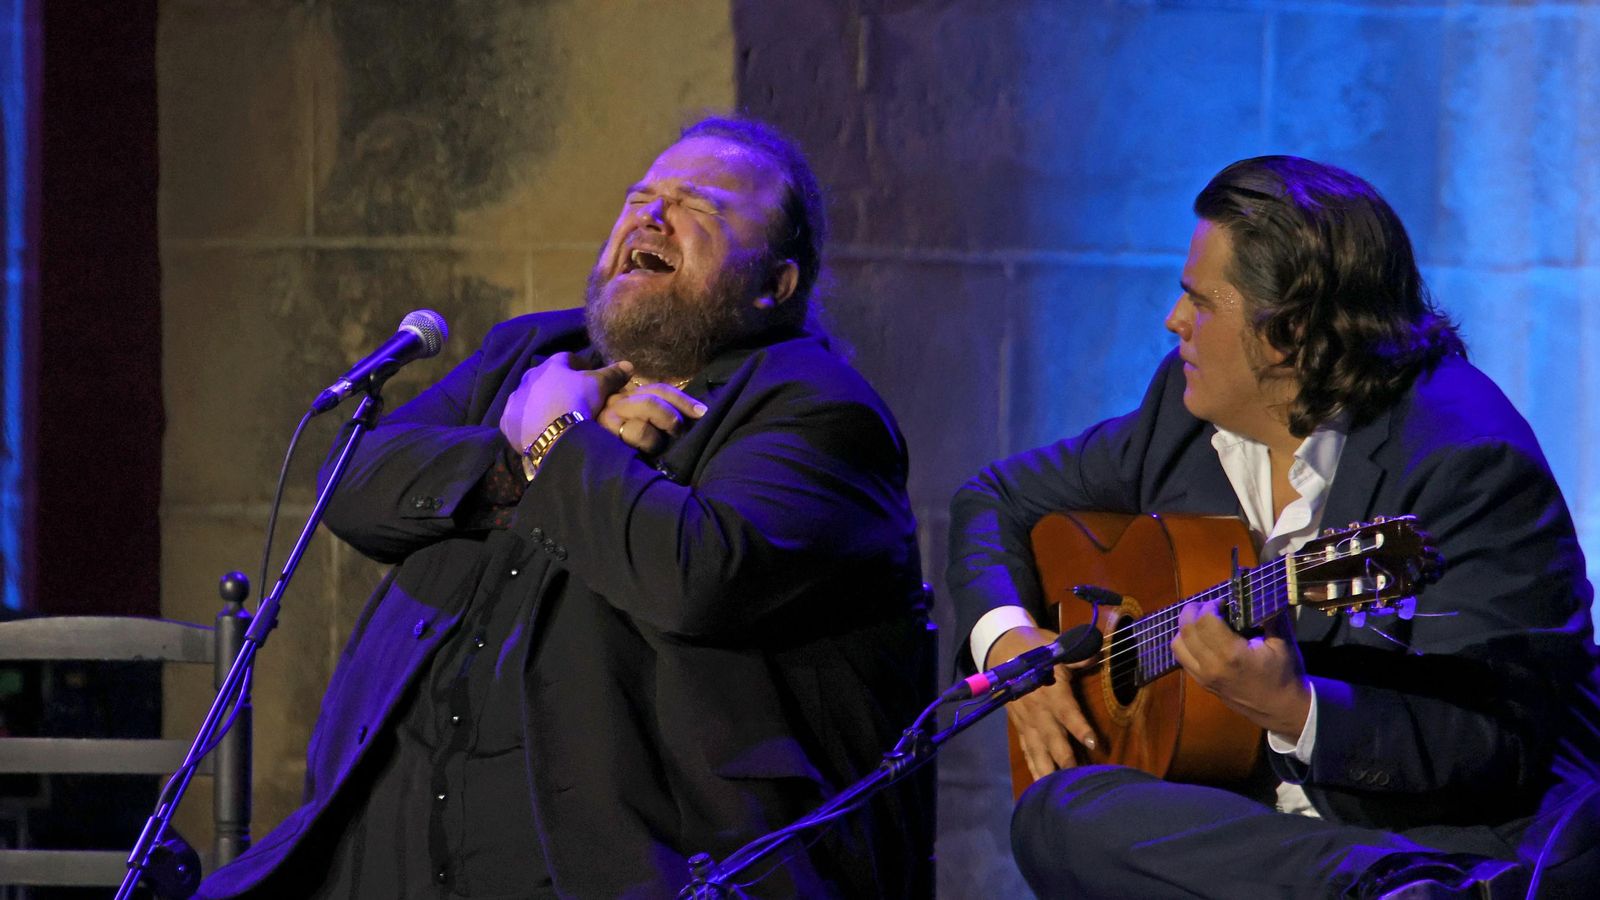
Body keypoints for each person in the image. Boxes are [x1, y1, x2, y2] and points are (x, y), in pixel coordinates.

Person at [198, 116, 934, 899]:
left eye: (700, 208)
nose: (651, 216)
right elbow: (353, 482)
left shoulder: (814, 411)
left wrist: (559, 438)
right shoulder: (528, 355)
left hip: (615, 865)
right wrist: (521, 463)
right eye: (640, 197)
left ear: (775, 284)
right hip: (376, 842)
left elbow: (695, 573)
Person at [948, 156, 1600, 898]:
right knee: (1055, 816)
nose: (1174, 321)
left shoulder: (1467, 460)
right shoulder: (1184, 410)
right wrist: (1012, 647)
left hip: (1423, 834)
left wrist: (1297, 709)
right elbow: (994, 497)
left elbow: (1507, 744)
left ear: (1285, 332)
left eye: (1200, 302)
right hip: (1257, 831)